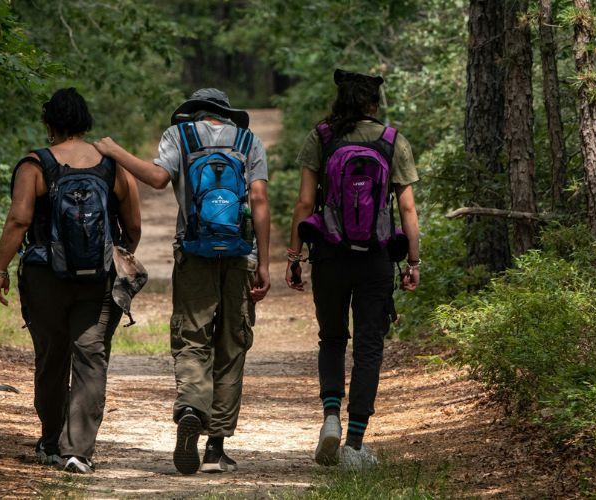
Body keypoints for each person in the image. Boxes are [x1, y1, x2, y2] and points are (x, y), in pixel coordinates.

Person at [93, 88, 271, 475]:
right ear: (226, 114)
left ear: (193, 112)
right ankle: (215, 449)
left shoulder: (180, 136)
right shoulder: (249, 141)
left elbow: (158, 179)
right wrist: (265, 264)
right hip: (241, 254)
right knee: (232, 342)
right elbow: (259, 200)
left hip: (193, 252)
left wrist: (114, 151)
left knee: (193, 337)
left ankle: (191, 407)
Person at [0, 88, 142, 474]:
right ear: (86, 121)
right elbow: (134, 225)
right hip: (98, 279)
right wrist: (114, 252)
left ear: (49, 123)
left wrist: (1, 268)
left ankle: (50, 441)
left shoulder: (35, 164)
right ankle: (78, 451)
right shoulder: (111, 165)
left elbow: (19, 220)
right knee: (91, 358)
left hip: (45, 277)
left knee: (52, 357)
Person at [285, 70, 420, 468]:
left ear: (339, 100)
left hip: (330, 254)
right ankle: (356, 444)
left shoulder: (322, 138)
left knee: (331, 338)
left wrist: (294, 258)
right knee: (368, 347)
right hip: (376, 258)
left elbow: (304, 204)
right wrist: (413, 262)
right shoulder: (392, 141)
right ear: (373, 103)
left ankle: (330, 418)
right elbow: (408, 209)